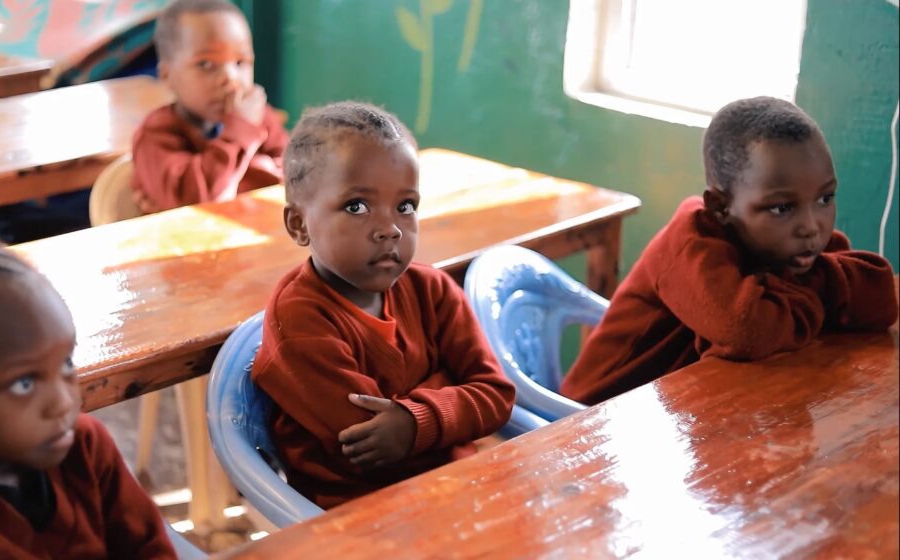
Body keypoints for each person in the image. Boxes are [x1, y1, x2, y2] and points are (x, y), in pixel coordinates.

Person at [252, 101, 515, 508]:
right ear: (299, 224)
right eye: (357, 206)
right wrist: (451, 393)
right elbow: (369, 453)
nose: (390, 229)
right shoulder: (300, 322)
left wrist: (413, 420)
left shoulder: (434, 290)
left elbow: (497, 396)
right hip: (359, 515)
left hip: (455, 488)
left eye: (405, 206)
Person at [562, 96, 898, 405]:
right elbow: (747, 330)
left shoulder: (788, 246)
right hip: (592, 421)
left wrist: (806, 290)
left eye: (825, 198)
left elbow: (880, 297)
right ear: (721, 207)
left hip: (683, 412)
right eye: (782, 208)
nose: (812, 226)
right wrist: (824, 292)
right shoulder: (690, 246)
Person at [0, 235, 176, 559]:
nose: (63, 402)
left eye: (66, 363)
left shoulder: (85, 447)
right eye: (24, 383)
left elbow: (149, 550)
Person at [131, 0, 288, 214]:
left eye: (240, 63)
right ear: (166, 75)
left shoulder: (259, 118)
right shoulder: (156, 135)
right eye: (206, 64)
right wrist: (243, 139)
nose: (230, 79)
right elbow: (198, 205)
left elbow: (299, 177)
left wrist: (244, 175)